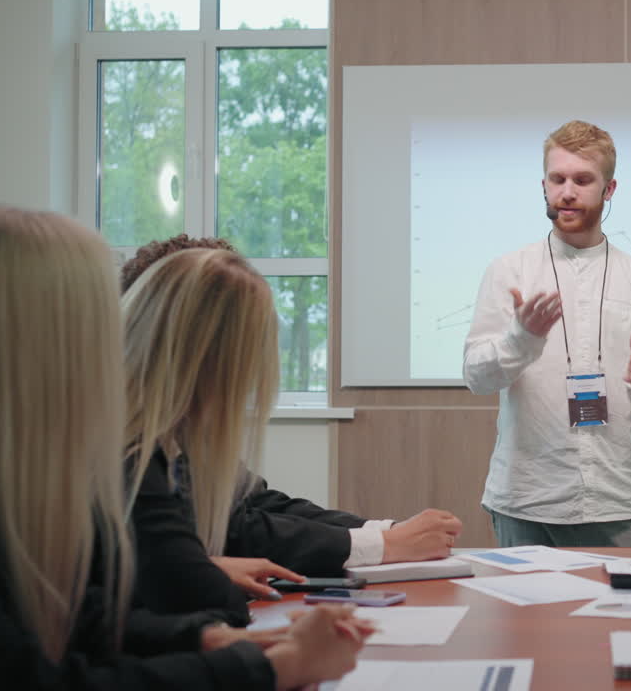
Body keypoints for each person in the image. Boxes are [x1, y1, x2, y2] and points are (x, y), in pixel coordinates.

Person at [0, 204, 367, 689]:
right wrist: (270, 668)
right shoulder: (115, 456)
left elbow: (78, 620)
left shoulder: (2, 476)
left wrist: (205, 642)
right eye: (102, 327)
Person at [121, 238, 461, 623]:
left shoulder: (162, 432)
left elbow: (255, 504)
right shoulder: (132, 456)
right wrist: (383, 544)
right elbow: (234, 538)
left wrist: (387, 534)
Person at [463, 120, 631, 547]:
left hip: (618, 500)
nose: (567, 192)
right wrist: (521, 337)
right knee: (526, 616)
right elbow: (477, 377)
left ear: (609, 189)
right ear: (543, 185)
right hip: (526, 499)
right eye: (557, 179)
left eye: (583, 180)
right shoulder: (509, 271)